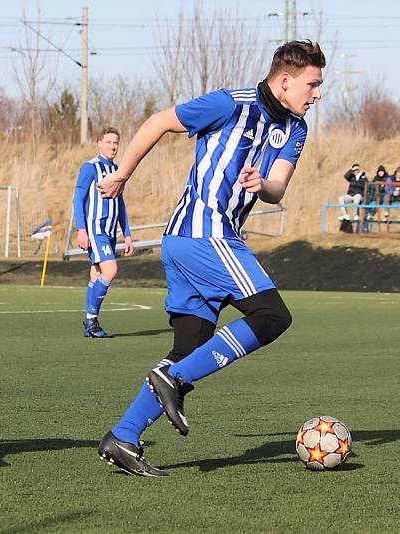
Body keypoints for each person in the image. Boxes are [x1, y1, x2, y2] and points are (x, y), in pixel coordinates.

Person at [94, 40, 324, 476]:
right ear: (286, 79)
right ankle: (174, 381)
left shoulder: (296, 128)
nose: (316, 94)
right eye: (312, 84)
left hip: (185, 241)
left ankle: (123, 437)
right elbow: (159, 122)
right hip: (206, 233)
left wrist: (263, 185)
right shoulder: (228, 103)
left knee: (189, 347)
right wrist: (122, 172)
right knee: (273, 317)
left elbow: (278, 187)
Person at [72, 126, 134, 338]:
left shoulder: (118, 171)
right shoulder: (90, 167)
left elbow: (122, 204)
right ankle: (91, 320)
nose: (112, 146)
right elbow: (78, 199)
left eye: (115, 142)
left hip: (110, 232)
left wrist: (126, 234)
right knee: (110, 271)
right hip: (95, 229)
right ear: (99, 143)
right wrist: (82, 229)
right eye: (108, 142)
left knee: (97, 273)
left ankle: (90, 322)